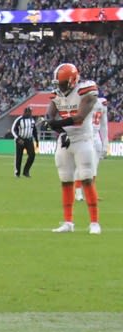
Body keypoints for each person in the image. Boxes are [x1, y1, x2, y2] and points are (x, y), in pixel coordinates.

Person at [46, 63, 101, 234]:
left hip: (83, 139)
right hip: (65, 139)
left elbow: (79, 117)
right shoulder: (57, 94)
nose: (59, 87)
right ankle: (68, 222)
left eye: (62, 83)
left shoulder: (85, 91)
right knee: (66, 181)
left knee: (86, 178)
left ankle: (94, 223)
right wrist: (50, 122)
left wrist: (57, 123)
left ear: (72, 80)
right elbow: (50, 114)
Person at [11, 105, 39, 178]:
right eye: (29, 112)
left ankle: (26, 171)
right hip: (20, 140)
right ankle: (17, 173)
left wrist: (36, 140)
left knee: (32, 155)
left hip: (29, 140)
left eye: (31, 112)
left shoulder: (32, 120)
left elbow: (34, 131)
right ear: (25, 112)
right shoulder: (19, 119)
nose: (30, 113)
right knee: (19, 157)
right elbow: (13, 130)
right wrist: (18, 138)